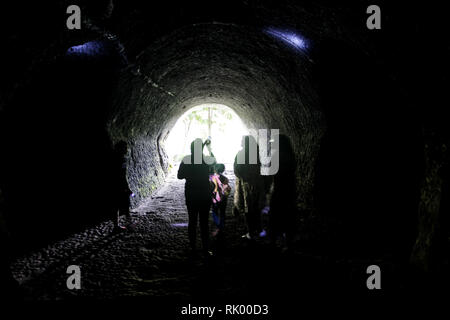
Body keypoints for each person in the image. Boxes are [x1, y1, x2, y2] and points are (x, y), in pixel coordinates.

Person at [178, 138, 216, 256]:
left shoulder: (187, 160)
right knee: (204, 222)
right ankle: (205, 249)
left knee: (192, 221)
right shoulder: (206, 160)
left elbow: (180, 176)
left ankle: (193, 248)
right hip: (205, 194)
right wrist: (209, 149)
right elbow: (214, 163)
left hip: (191, 194)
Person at [268, 134, 297, 249]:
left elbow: (271, 172)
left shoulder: (276, 157)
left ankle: (273, 243)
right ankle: (288, 244)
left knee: (275, 217)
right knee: (288, 217)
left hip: (279, 190)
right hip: (289, 190)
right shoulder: (291, 156)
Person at [234, 135, 265, 239]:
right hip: (259, 184)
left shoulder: (241, 154)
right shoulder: (259, 154)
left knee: (248, 208)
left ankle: (251, 232)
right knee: (257, 207)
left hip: (246, 185)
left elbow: (237, 170)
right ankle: (259, 229)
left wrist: (243, 177)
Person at [112, 140, 132, 232]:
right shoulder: (122, 159)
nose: (126, 150)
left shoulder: (113, 157)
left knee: (115, 206)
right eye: (125, 148)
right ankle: (129, 224)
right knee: (126, 204)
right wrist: (127, 188)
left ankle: (116, 226)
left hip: (113, 185)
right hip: (120, 186)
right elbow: (122, 175)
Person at [210, 163, 231, 238]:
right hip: (223, 199)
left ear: (215, 169)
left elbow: (210, 188)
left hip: (215, 198)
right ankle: (221, 226)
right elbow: (227, 189)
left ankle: (218, 225)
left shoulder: (212, 178)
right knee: (222, 212)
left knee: (215, 212)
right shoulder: (225, 179)